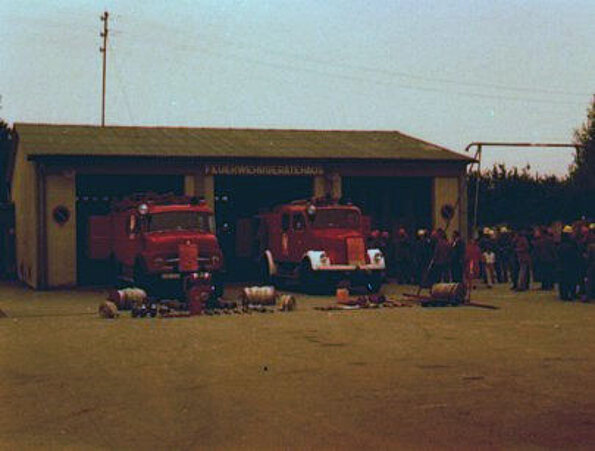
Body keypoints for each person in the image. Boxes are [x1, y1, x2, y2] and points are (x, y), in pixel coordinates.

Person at [557, 225, 581, 301]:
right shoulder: (572, 244)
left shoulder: (561, 244)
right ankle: (570, 294)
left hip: (563, 265)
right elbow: (576, 255)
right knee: (570, 280)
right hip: (570, 265)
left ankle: (564, 295)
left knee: (564, 281)